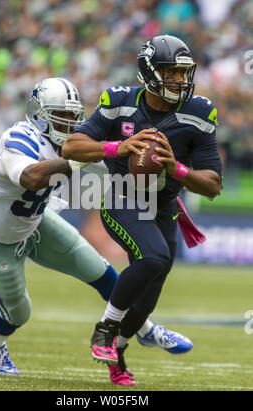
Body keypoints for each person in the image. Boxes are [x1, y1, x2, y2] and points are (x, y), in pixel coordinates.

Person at [0, 77, 192, 386]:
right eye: (64, 115)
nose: (71, 122)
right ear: (39, 114)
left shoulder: (68, 144)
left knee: (102, 272)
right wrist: (85, 158)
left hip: (37, 223)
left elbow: (114, 168)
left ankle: (145, 329)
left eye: (74, 116)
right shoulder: (18, 138)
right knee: (17, 312)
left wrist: (161, 183)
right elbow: (32, 177)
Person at [62, 34, 222, 386]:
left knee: (149, 294)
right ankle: (105, 329)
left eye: (183, 73)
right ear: (149, 72)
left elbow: (212, 185)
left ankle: (117, 350)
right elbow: (71, 146)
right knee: (152, 257)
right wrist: (117, 148)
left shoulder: (199, 112)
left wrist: (176, 169)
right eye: (171, 72)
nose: (180, 80)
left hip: (164, 205)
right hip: (121, 195)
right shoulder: (119, 101)